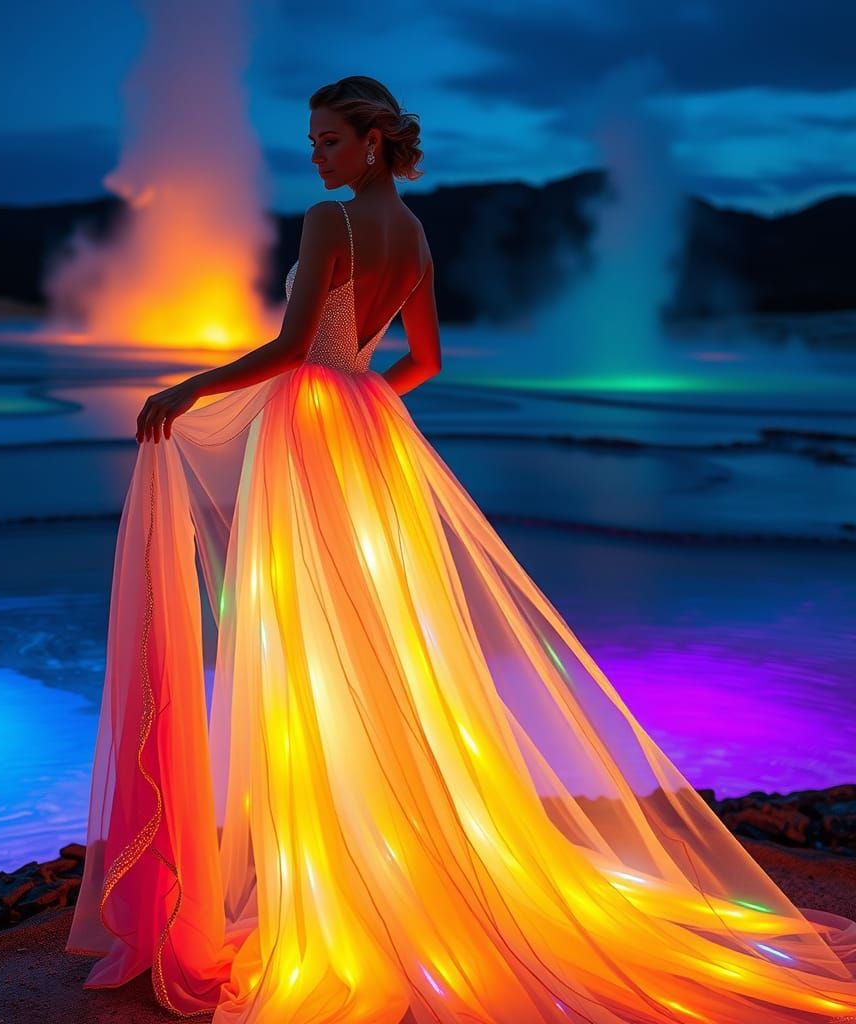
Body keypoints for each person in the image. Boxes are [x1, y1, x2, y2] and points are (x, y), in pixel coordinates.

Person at [65, 76, 856, 1023]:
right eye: (312, 140)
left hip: (314, 421)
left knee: (314, 634)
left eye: (325, 139)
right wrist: (367, 404)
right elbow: (427, 360)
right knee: (376, 635)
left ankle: (343, 865)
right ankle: (378, 844)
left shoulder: (332, 222)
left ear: (367, 144)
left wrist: (186, 391)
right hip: (364, 425)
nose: (313, 154)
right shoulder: (418, 237)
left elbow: (288, 349)